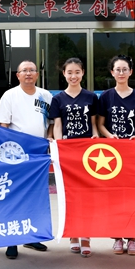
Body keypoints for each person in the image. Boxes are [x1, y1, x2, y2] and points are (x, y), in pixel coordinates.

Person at [0, 60, 53, 259]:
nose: (28, 73)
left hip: (39, 153)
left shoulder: (45, 95)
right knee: (15, 195)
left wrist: (48, 141)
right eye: (24, 70)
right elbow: (3, 125)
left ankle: (31, 236)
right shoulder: (9, 95)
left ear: (37, 74)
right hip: (16, 153)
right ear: (17, 75)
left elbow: (51, 123)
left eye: (32, 70)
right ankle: (11, 241)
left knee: (35, 196)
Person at [97, 55, 135, 256]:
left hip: (133, 153)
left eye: (125, 69)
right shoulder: (106, 97)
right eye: (117, 69)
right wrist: (110, 136)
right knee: (115, 196)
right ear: (112, 72)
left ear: (131, 72)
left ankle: (132, 237)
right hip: (112, 154)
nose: (121, 73)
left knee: (133, 195)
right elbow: (100, 124)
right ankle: (117, 237)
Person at [49, 58, 99, 258]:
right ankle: (73, 235)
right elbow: (58, 125)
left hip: (87, 152)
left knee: (87, 195)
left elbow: (93, 124)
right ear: (64, 74)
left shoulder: (91, 97)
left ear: (83, 73)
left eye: (77, 72)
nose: (73, 76)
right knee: (69, 195)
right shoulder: (58, 99)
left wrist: (95, 137)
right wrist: (59, 147)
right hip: (68, 151)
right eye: (69, 72)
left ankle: (86, 236)